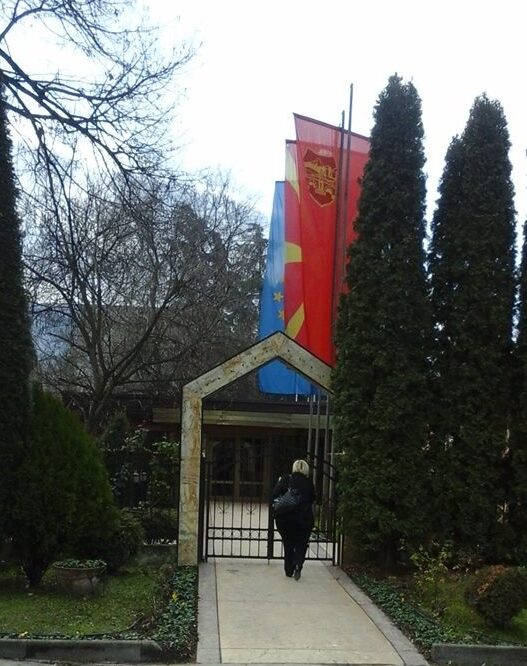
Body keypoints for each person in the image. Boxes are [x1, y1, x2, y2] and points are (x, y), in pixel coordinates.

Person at [271, 459, 315, 580]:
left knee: (288, 543)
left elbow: (274, 495)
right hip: (304, 519)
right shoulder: (309, 483)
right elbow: (312, 499)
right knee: (302, 543)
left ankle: (288, 570)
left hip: (285, 518)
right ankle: (298, 563)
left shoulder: (286, 479)